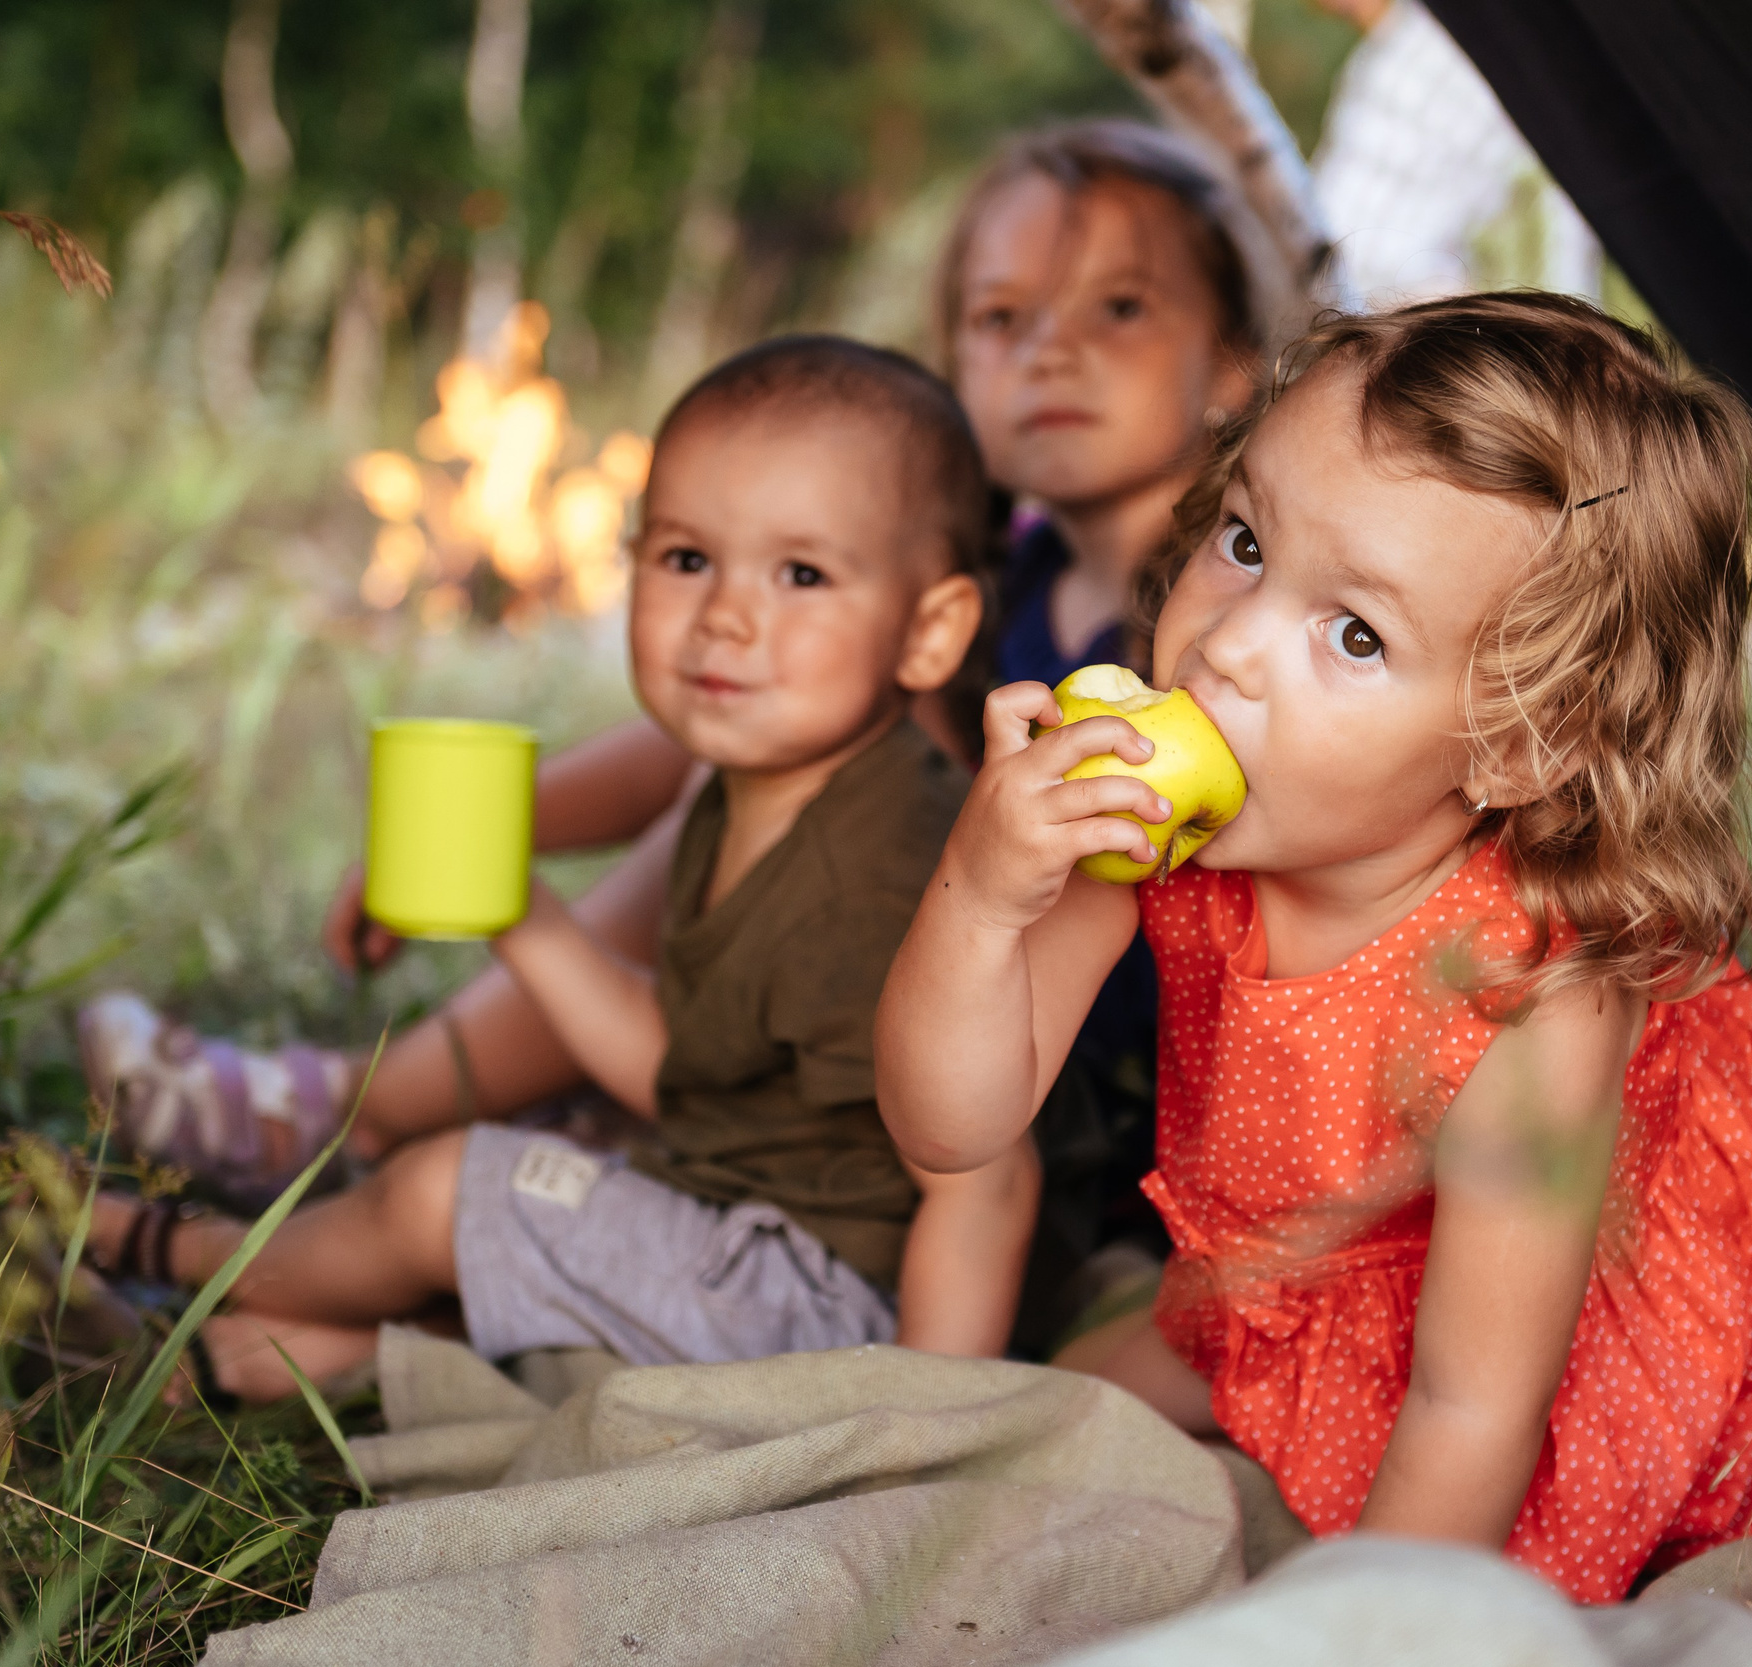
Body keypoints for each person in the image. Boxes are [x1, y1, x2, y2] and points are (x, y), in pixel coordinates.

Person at [79, 121, 1265, 1274]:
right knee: (762, 731)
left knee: (784, 745)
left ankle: (362, 1109)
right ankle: (386, 1115)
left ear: (1233, 355)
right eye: (1002, 317)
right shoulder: (1004, 581)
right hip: (863, 1020)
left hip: (1040, 1082)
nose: (1049, 349)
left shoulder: (1220, 631)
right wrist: (474, 832)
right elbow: (697, 741)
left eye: (1118, 307)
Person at [873, 293, 1752, 1603]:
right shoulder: (1166, 820)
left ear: (1520, 743)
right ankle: (1285, 1352)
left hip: (1524, 1316)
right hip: (1296, 1257)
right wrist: (985, 895)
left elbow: (1470, 1406)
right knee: (1038, 1423)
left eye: (1355, 634)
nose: (1226, 644)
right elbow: (949, 1122)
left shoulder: (1537, 995)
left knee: (1464, 1561)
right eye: (1243, 539)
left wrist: (1346, 1645)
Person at [80, 336, 1037, 1402]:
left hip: (832, 1300)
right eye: (685, 558)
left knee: (450, 1190)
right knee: (524, 1199)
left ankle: (164, 1248)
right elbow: (685, 1066)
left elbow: (987, 1179)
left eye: (801, 573)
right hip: (725, 1210)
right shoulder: (758, 786)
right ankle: (264, 1351)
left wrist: (921, 1421)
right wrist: (524, 917)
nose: (726, 612)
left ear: (930, 630)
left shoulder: (877, 879)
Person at [1308, 0, 1600, 312]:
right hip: (1549, 318)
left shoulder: (1408, 69)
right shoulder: (1499, 38)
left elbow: (1348, 261)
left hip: (1483, 329)